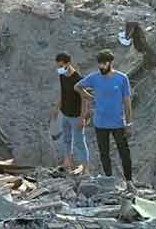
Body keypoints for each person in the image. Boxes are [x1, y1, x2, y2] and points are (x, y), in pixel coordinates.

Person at [76, 51, 133, 189]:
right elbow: (77, 86)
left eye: (104, 63)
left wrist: (129, 123)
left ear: (110, 63)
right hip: (100, 123)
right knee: (104, 153)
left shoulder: (122, 78)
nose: (101, 66)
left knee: (124, 152)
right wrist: (88, 96)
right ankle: (109, 180)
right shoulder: (94, 77)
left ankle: (129, 181)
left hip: (118, 123)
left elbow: (127, 102)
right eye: (99, 64)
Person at [51, 52, 89, 175]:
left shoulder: (78, 79)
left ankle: (85, 168)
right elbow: (63, 93)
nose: (59, 69)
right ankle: (67, 163)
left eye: (61, 66)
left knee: (79, 142)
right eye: (58, 66)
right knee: (66, 140)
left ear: (68, 63)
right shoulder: (62, 76)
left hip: (76, 116)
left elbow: (85, 100)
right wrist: (57, 107)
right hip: (65, 114)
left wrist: (82, 118)